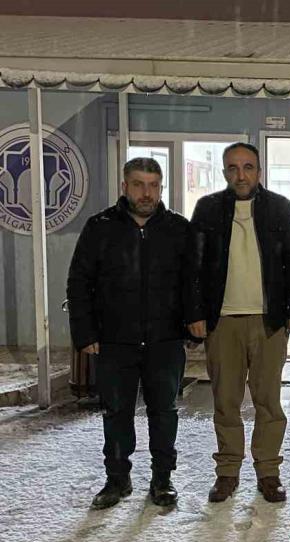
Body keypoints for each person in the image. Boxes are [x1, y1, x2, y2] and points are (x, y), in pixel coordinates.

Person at [67, 157, 200, 509]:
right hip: (115, 339)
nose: (147, 193)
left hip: (165, 339)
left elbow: (192, 281)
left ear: (161, 188)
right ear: (125, 186)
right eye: (139, 184)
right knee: (116, 412)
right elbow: (79, 282)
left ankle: (162, 479)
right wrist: (84, 333)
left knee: (164, 412)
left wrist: (194, 323)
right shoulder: (100, 227)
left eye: (154, 185)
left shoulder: (178, 229)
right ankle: (117, 479)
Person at [189, 142, 290, 503]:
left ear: (259, 171)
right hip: (222, 321)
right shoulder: (207, 209)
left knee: (268, 401)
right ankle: (227, 471)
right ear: (225, 172)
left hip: (268, 321)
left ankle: (268, 472)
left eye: (248, 167)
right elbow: (193, 266)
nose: (241, 175)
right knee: (226, 400)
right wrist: (195, 313)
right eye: (233, 168)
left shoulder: (279, 208)